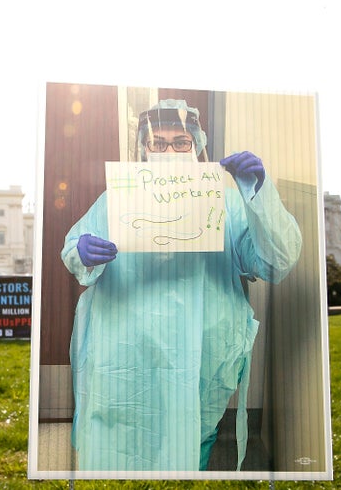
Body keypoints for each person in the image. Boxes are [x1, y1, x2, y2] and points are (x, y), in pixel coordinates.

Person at [61, 99, 302, 471]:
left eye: (180, 142)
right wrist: (81, 250)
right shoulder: (116, 200)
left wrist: (258, 197)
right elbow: (73, 249)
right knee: (121, 439)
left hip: (200, 358)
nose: (168, 150)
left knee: (190, 441)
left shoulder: (225, 201)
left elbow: (274, 262)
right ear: (143, 147)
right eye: (158, 143)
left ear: (197, 146)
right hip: (126, 355)